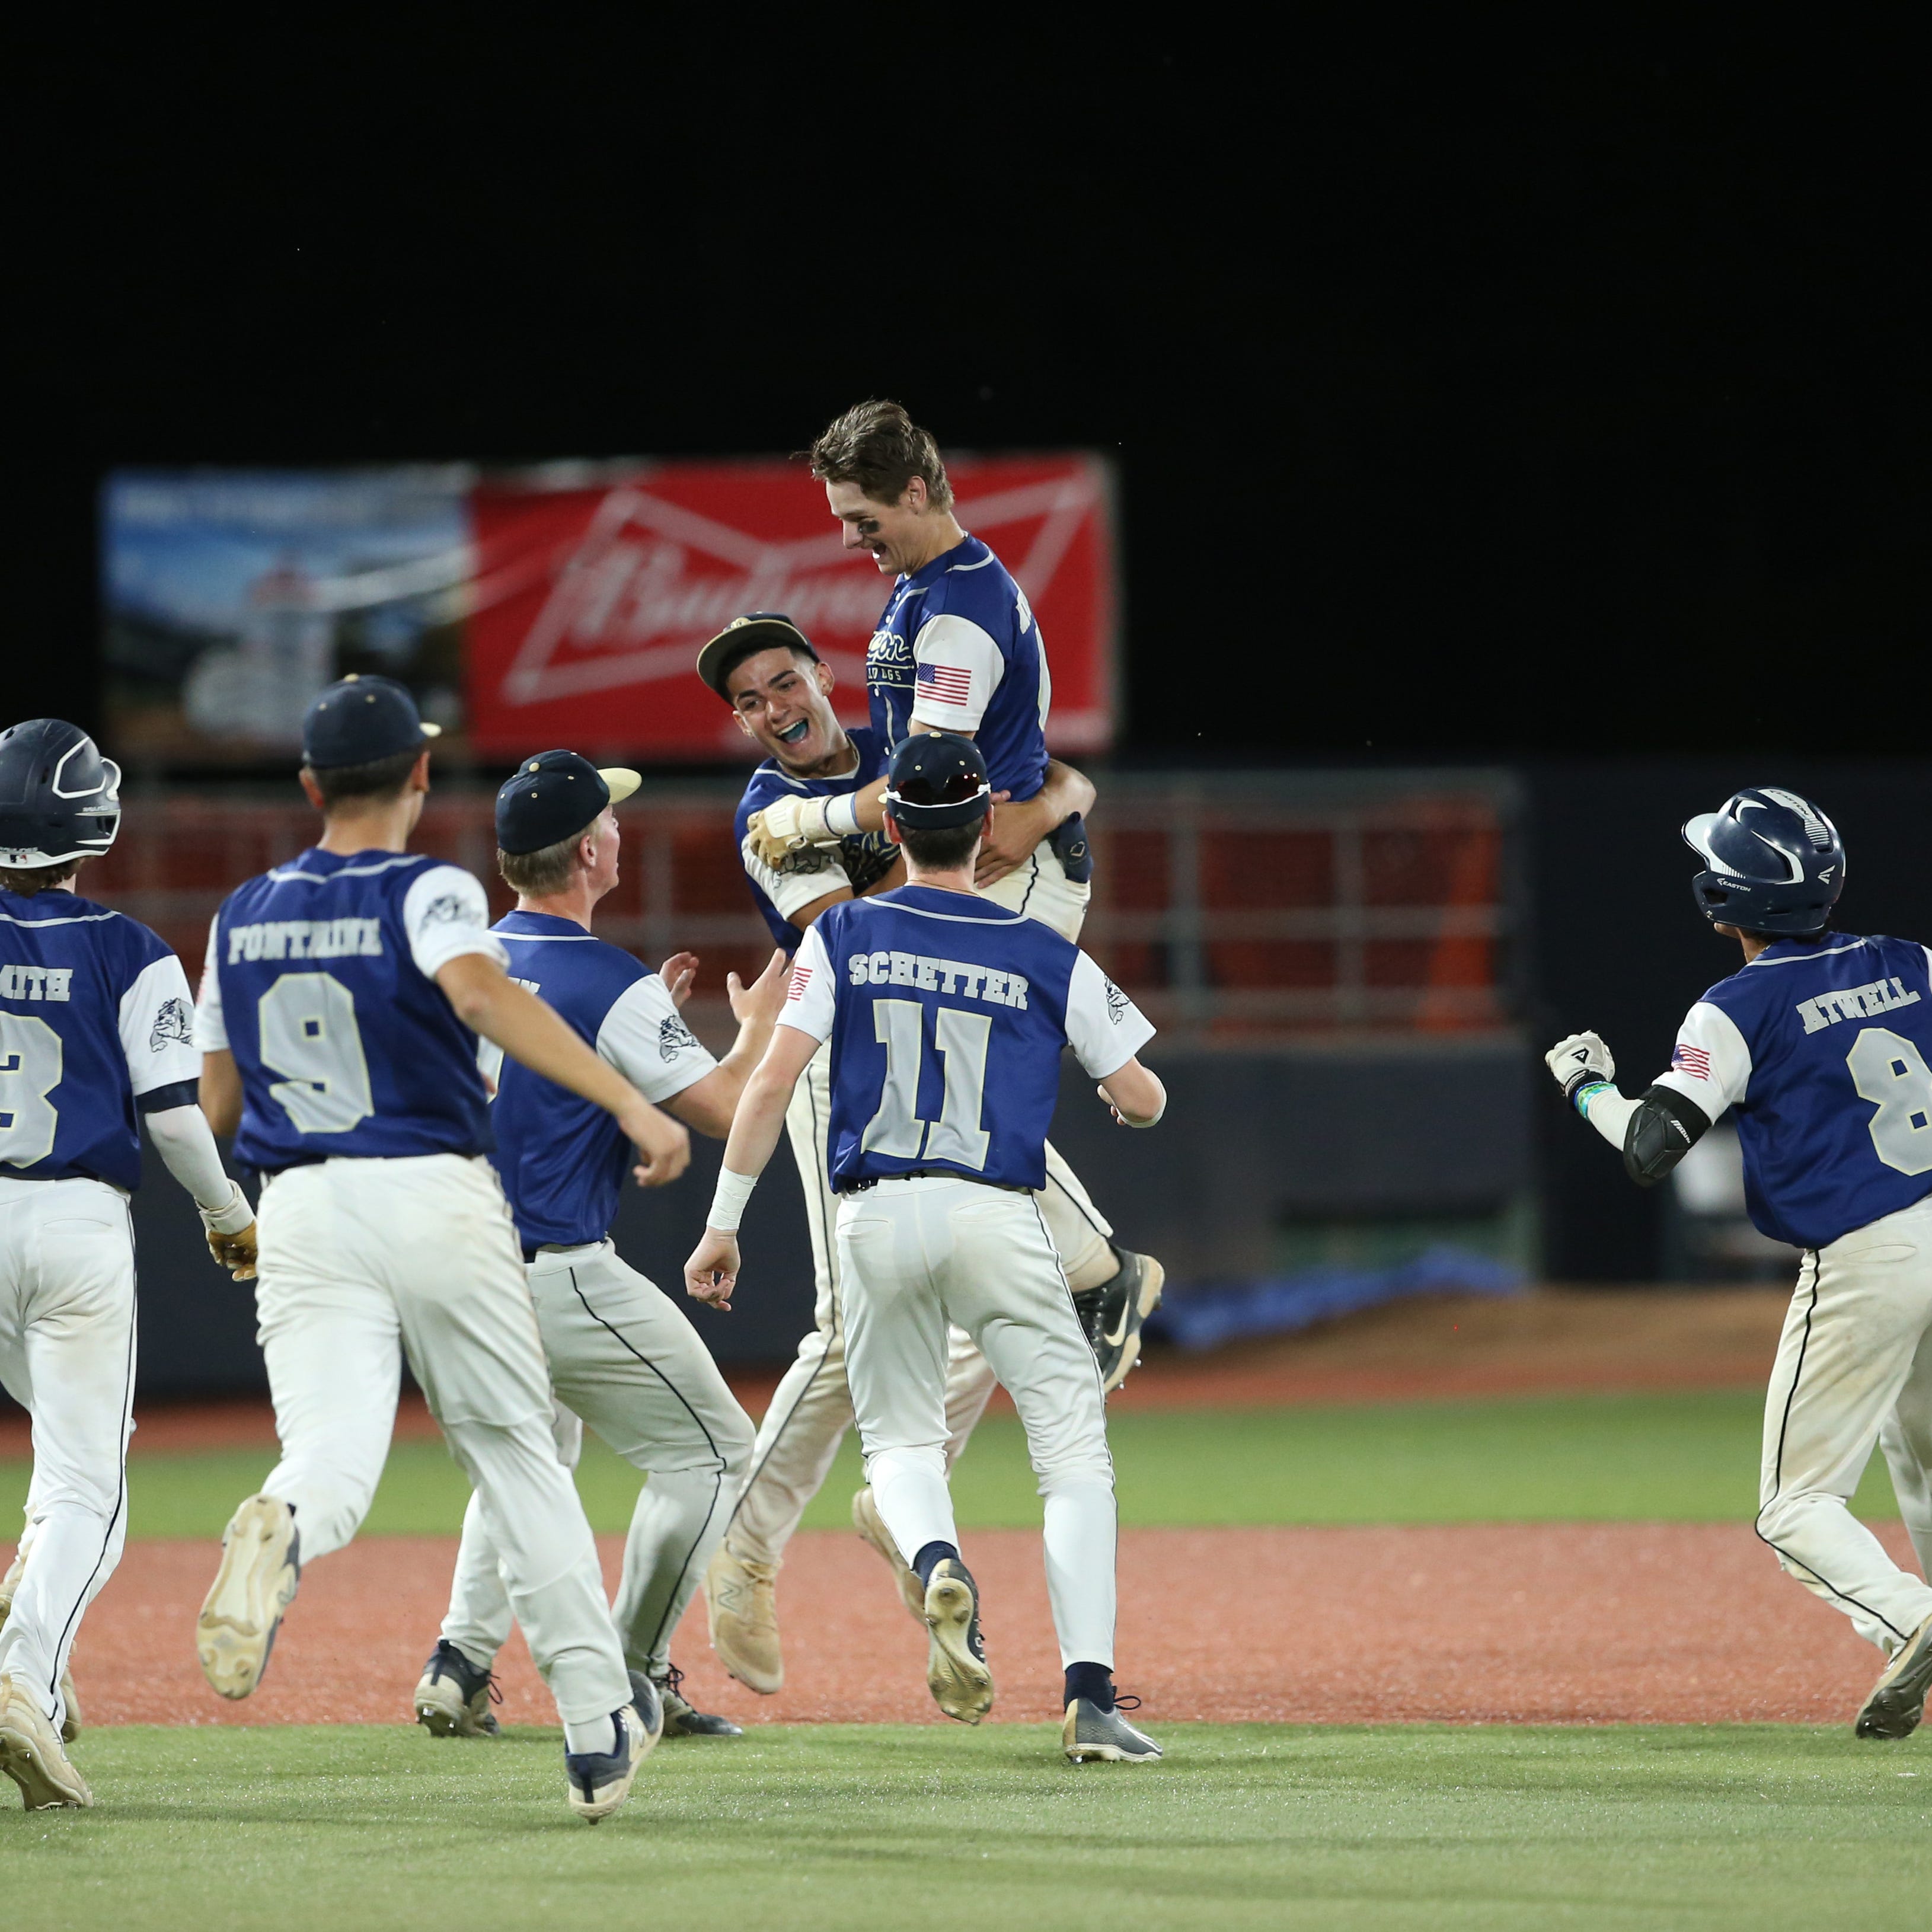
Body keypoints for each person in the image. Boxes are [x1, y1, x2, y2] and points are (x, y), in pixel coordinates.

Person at [193, 676, 675, 1823]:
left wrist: (254, 1182)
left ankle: (285, 1528)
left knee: (330, 1457)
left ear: (312, 787)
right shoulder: (432, 890)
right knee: (516, 1452)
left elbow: (214, 1100)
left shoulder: (242, 911)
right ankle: (597, 1729)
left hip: (300, 1202)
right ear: (419, 774)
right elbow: (478, 993)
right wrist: (630, 1102)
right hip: (431, 1190)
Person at [686, 732, 1165, 1762]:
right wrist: (1114, 1100)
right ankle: (1090, 1699)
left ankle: (938, 1555)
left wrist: (723, 1221)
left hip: (874, 1216)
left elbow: (769, 1085)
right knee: (1072, 1457)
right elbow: (1143, 1094)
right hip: (997, 1214)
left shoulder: (844, 932)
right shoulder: (1043, 950)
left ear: (892, 826)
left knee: (898, 1443)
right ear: (987, 824)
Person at [742, 403, 1164, 1382]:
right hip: (1001, 853)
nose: (851, 538)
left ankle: (1101, 1275)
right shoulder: (931, 586)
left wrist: (811, 821)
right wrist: (1063, 785)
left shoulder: (961, 608)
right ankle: (1074, 1300)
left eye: (864, 517)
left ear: (919, 490)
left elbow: (929, 771)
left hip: (1011, 870)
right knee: (933, 1091)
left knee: (938, 1089)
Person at [411, 750, 788, 1742]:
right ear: (588, 851)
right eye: (610, 821)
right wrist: (750, 1036)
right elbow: (712, 1110)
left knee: (529, 1453)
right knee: (714, 1452)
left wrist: (649, 1023)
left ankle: (459, 1661)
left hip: (455, 1269)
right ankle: (637, 1672)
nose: (620, 830)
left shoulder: (464, 967)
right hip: (558, 1271)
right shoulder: (606, 980)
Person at [1547, 785, 1932, 1741]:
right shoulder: (1913, 961)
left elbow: (1650, 1146)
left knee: (1795, 1507)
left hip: (1868, 1253)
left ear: (1723, 900)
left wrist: (1588, 1086)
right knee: (1920, 1464)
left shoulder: (1735, 1006)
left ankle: (1913, 1620)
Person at [0, 720, 257, 1811]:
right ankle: (21, 1679)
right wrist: (229, 1214)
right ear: (85, 823)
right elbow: (176, 1120)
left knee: (71, 1460)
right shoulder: (129, 949)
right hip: (71, 1228)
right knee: (86, 1485)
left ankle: (39, 1675)